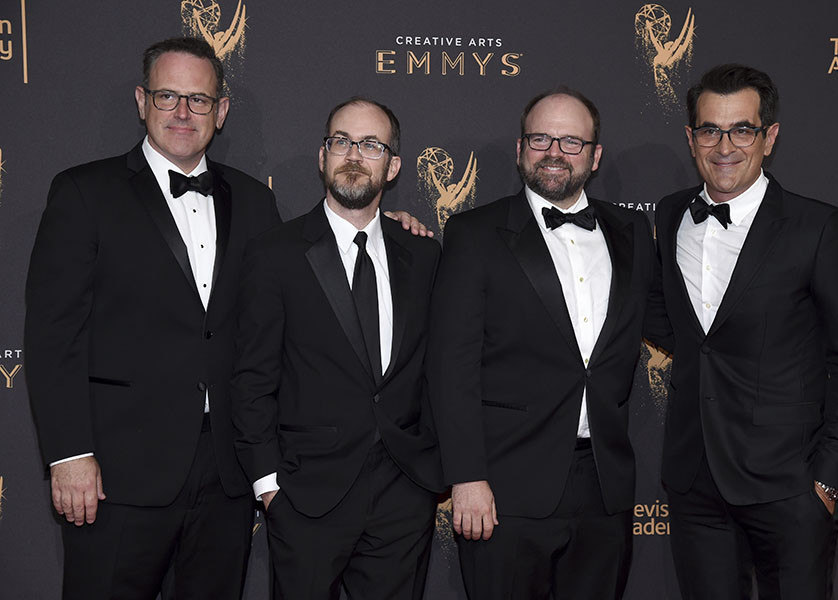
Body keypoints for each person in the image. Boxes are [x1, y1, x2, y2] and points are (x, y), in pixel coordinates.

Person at [24, 37, 281, 598]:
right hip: (116, 471)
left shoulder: (255, 202)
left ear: (223, 110)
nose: (183, 113)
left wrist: (382, 231)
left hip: (226, 473)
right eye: (168, 97)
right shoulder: (84, 192)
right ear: (142, 101)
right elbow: (52, 335)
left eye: (199, 99)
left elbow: (289, 303)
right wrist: (69, 454)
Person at [646, 64, 838, 599]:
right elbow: (675, 322)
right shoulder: (672, 212)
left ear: (769, 137)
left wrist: (827, 480)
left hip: (790, 485)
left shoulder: (821, 229)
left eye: (742, 129)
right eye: (710, 130)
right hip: (695, 482)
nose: (724, 146)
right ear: (690, 137)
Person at [429, 88, 659, 599]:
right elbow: (451, 365)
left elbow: (677, 325)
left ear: (595, 155)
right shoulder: (474, 232)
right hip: (504, 487)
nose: (554, 151)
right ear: (520, 148)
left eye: (572, 141)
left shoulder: (634, 231)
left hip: (604, 487)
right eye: (540, 137)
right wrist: (467, 477)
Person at [231, 97, 444, 600]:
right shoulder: (274, 253)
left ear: (392, 167)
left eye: (370, 144)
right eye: (341, 141)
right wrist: (268, 488)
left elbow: (442, 368)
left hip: (403, 495)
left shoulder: (424, 252)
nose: (353, 153)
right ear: (321, 155)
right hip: (304, 497)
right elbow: (251, 377)